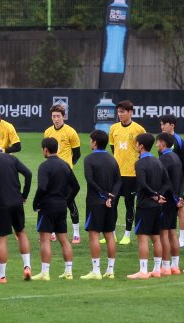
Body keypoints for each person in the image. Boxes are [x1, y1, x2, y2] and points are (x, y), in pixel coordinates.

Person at [0, 142, 33, 283]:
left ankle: (1, 276)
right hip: (16, 201)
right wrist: (24, 195)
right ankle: (27, 266)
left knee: (1, 238)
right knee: (21, 233)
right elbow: (28, 174)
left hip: (1, 204)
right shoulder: (11, 158)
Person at [31, 138, 79, 281]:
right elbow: (76, 186)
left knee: (44, 239)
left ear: (45, 149)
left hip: (47, 206)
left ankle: (45, 273)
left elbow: (42, 187)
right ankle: (68, 272)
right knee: (64, 239)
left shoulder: (44, 166)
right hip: (61, 206)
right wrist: (67, 200)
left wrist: (35, 202)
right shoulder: (65, 165)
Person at [127, 134, 170, 280]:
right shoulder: (158, 161)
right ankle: (157, 270)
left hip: (145, 205)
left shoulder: (140, 163)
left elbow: (142, 183)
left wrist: (155, 195)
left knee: (143, 238)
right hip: (157, 206)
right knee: (156, 238)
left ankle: (143, 271)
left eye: (137, 143)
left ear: (141, 146)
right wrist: (159, 195)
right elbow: (167, 183)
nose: (136, 146)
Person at [80, 130, 121, 280]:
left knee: (94, 235)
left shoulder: (89, 159)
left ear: (95, 142)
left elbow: (90, 180)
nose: (90, 142)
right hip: (110, 203)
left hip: (95, 202)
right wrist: (112, 196)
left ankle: (96, 271)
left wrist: (104, 195)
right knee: (109, 235)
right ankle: (110, 270)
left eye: (91, 140)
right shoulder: (112, 159)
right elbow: (118, 181)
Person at [108, 100, 146, 245]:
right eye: (118, 111)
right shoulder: (113, 128)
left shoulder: (139, 129)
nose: (120, 114)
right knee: (112, 203)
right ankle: (111, 234)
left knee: (129, 204)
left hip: (131, 174)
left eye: (122, 111)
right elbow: (113, 148)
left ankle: (127, 234)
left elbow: (143, 151)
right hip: (116, 174)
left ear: (130, 112)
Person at [43, 104, 82, 244]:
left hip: (65, 174)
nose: (56, 119)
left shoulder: (71, 132)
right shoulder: (48, 132)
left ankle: (76, 233)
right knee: (51, 201)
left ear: (63, 116)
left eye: (58, 116)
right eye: (53, 116)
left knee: (70, 202)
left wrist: (68, 167)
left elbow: (77, 154)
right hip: (51, 173)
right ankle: (52, 232)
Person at [159, 114, 184, 247]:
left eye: (164, 124)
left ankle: (182, 238)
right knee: (164, 208)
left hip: (176, 182)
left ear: (172, 125)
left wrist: (179, 177)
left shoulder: (179, 142)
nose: (162, 126)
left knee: (180, 208)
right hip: (165, 183)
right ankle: (165, 237)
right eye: (161, 124)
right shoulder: (162, 141)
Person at [156, 133, 184, 276]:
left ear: (162, 143)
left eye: (157, 143)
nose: (156, 145)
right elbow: (181, 180)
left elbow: (163, 182)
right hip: (174, 199)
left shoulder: (163, 159)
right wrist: (179, 197)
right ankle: (175, 266)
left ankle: (165, 267)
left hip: (166, 200)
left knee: (163, 234)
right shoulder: (176, 157)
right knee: (172, 233)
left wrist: (158, 195)